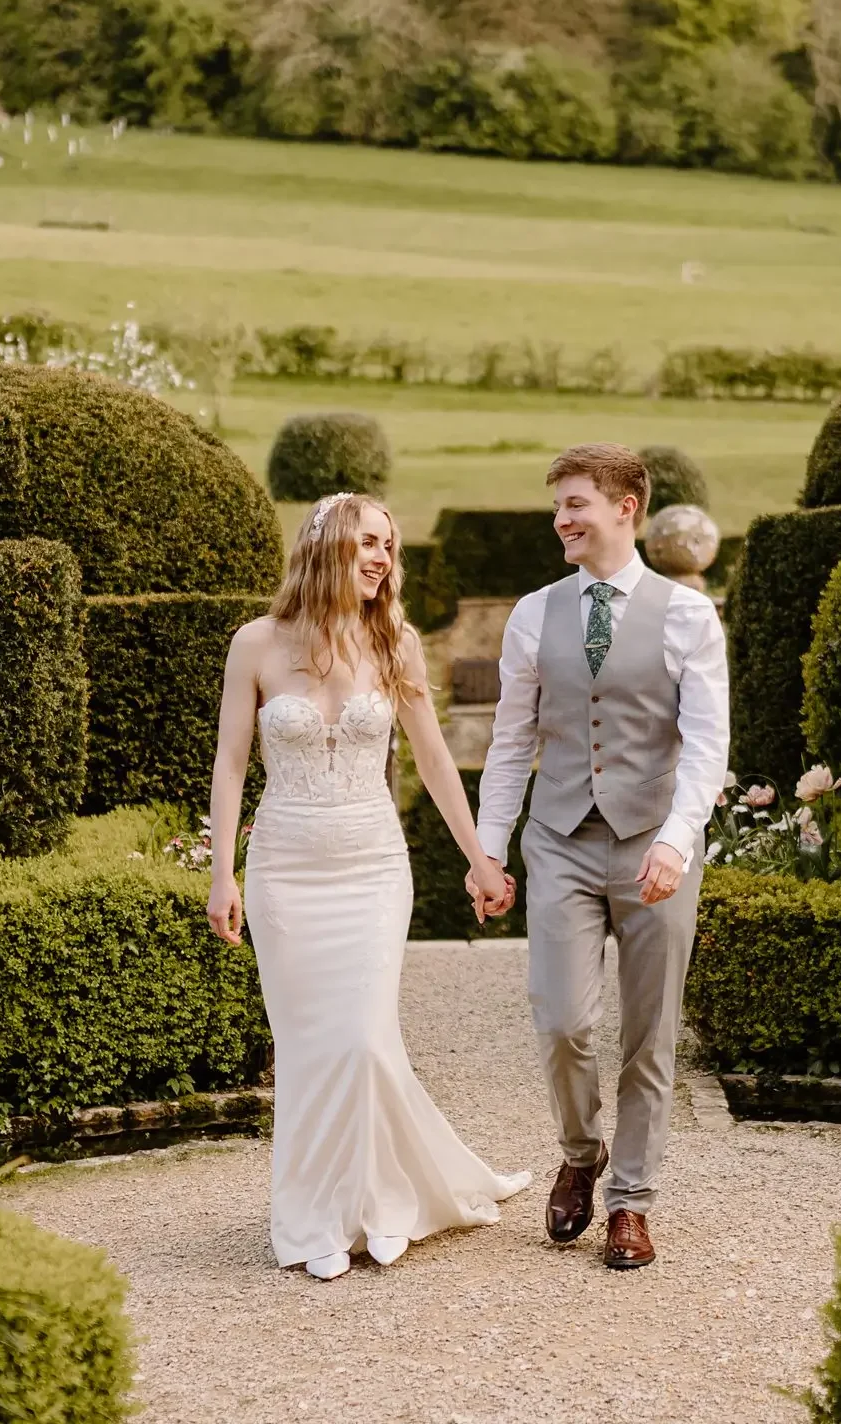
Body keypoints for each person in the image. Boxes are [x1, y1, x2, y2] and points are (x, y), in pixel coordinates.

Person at [205, 491, 531, 1281]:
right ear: (325, 551)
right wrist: (223, 873)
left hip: (373, 868)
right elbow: (231, 762)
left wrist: (482, 858)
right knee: (310, 1049)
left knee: (363, 1040)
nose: (382, 557)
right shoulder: (254, 644)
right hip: (286, 871)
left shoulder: (397, 645)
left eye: (388, 544)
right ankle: (314, 1217)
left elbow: (430, 760)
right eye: (367, 543)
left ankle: (383, 1202)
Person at [471, 443, 729, 1270]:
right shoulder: (531, 614)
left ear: (627, 507)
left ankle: (632, 1202)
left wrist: (676, 841)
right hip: (559, 842)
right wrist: (488, 851)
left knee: (650, 1037)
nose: (561, 520)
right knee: (563, 1021)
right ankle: (582, 1154)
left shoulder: (689, 616)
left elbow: (706, 745)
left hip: (654, 845)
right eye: (558, 507)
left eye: (575, 504)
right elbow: (510, 743)